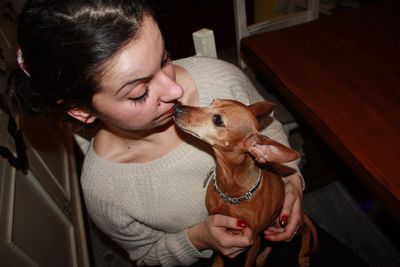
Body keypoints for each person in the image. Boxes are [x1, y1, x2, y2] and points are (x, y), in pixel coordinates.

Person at [7, 0, 304, 266]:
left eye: (164, 59)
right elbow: (147, 255)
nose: (175, 91)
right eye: (139, 92)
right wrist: (197, 238)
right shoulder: (105, 189)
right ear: (81, 111)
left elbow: (271, 129)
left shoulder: (221, 80)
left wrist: (290, 179)